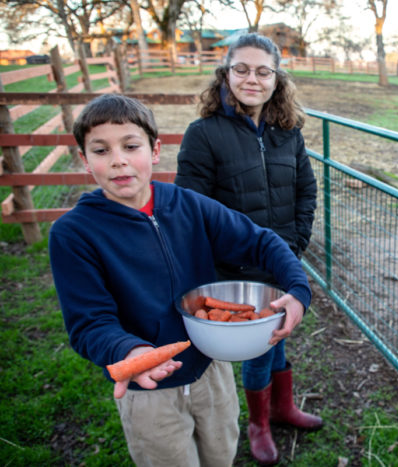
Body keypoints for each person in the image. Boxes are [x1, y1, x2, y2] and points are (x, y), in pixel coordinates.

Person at [48, 93, 312, 467]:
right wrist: (130, 352)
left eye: (130, 146)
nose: (119, 159)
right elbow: (89, 323)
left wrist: (298, 291)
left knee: (221, 455)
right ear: (84, 159)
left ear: (155, 151)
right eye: (101, 150)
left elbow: (262, 241)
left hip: (211, 369)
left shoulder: (188, 204)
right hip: (148, 386)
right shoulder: (74, 234)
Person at [174, 32, 320, 465]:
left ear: (276, 79)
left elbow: (305, 191)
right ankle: (260, 422)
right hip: (236, 268)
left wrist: (293, 245)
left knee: (280, 335)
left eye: (263, 71)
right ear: (226, 72)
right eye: (242, 69)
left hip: (282, 258)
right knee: (263, 341)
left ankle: (281, 408)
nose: (252, 78)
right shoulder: (204, 135)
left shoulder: (287, 133)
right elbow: (192, 209)